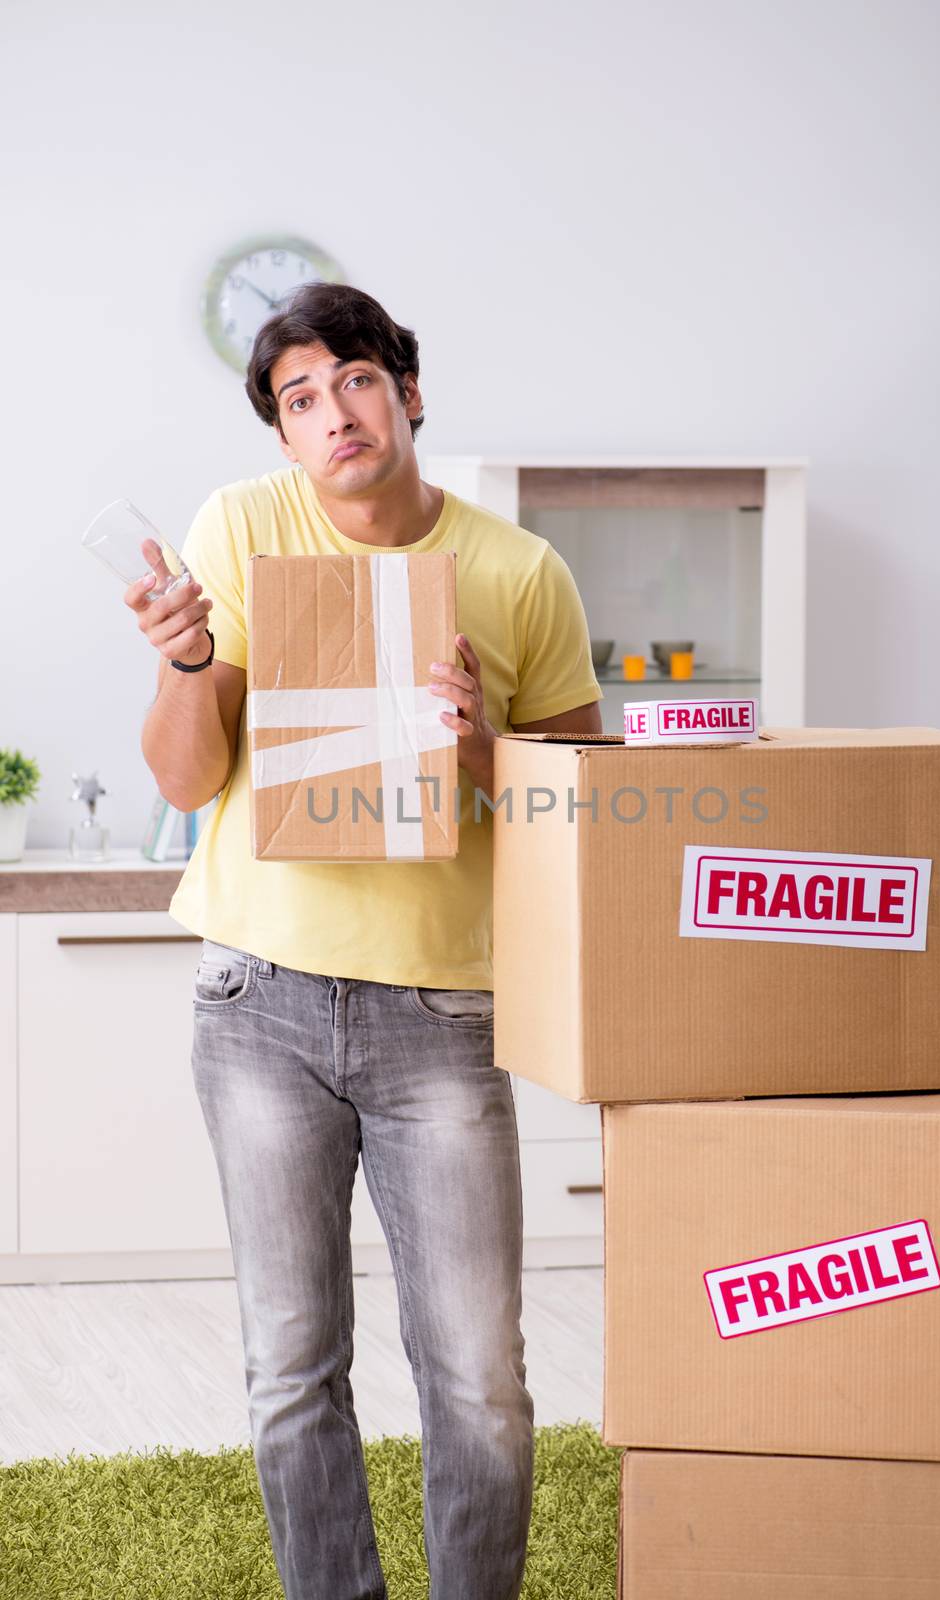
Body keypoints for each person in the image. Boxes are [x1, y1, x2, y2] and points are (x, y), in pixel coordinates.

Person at [126, 281, 604, 1600]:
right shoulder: (242, 528)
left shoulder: (518, 572)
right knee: (290, 1366)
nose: (330, 411)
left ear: (407, 394)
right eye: (297, 396)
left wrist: (483, 751)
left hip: (440, 1025)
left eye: (352, 378)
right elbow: (183, 782)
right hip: (259, 1008)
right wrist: (180, 668)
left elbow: (580, 815)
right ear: (282, 436)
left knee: (483, 1382)